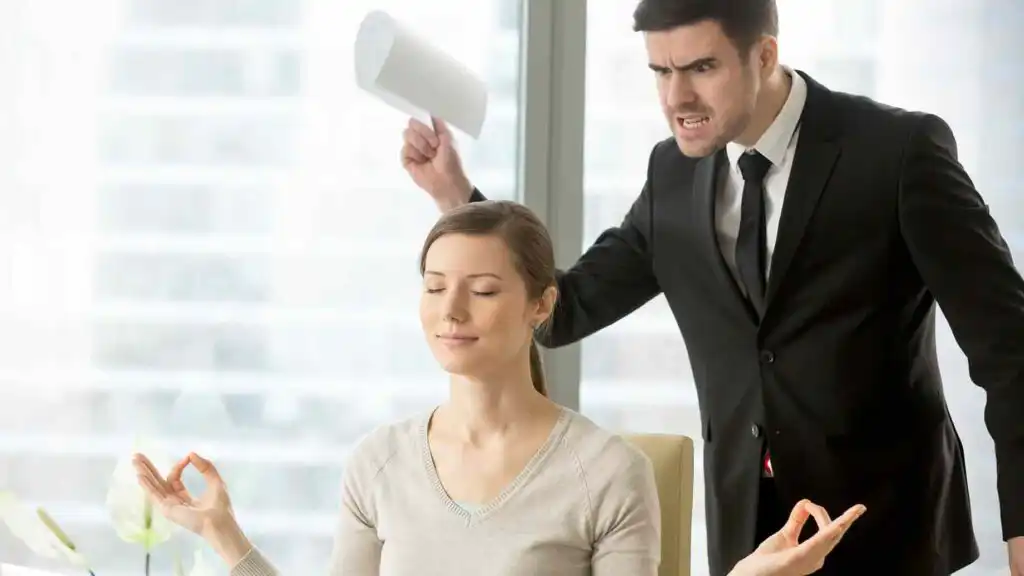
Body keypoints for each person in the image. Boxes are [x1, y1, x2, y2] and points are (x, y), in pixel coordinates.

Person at [399, 0, 1024, 575]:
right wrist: (454, 197)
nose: (678, 97)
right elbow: (564, 311)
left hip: (889, 535)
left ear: (765, 55)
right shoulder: (670, 175)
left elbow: (1009, 349)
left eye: (701, 67)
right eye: (661, 72)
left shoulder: (896, 153)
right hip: (746, 542)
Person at [133, 201, 864, 576]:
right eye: (434, 288)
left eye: (482, 290)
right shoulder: (378, 462)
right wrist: (222, 535)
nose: (450, 312)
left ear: (541, 305)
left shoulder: (609, 473)